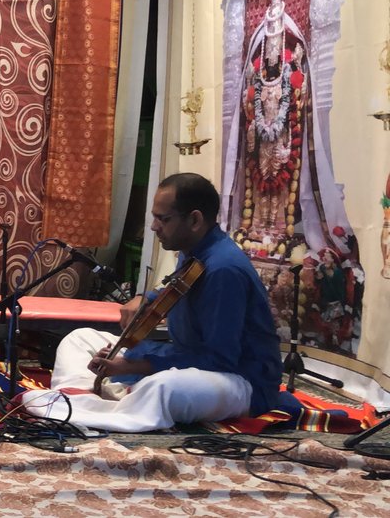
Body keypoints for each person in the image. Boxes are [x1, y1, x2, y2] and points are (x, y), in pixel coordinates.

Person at [25, 173, 283, 432]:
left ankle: (95, 405)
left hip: (240, 381)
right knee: (78, 339)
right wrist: (144, 298)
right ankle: (94, 400)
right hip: (188, 360)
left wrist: (137, 364)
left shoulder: (224, 271)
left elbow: (218, 359)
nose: (153, 226)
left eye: (163, 219)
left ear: (194, 220)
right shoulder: (192, 252)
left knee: (164, 387)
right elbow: (174, 289)